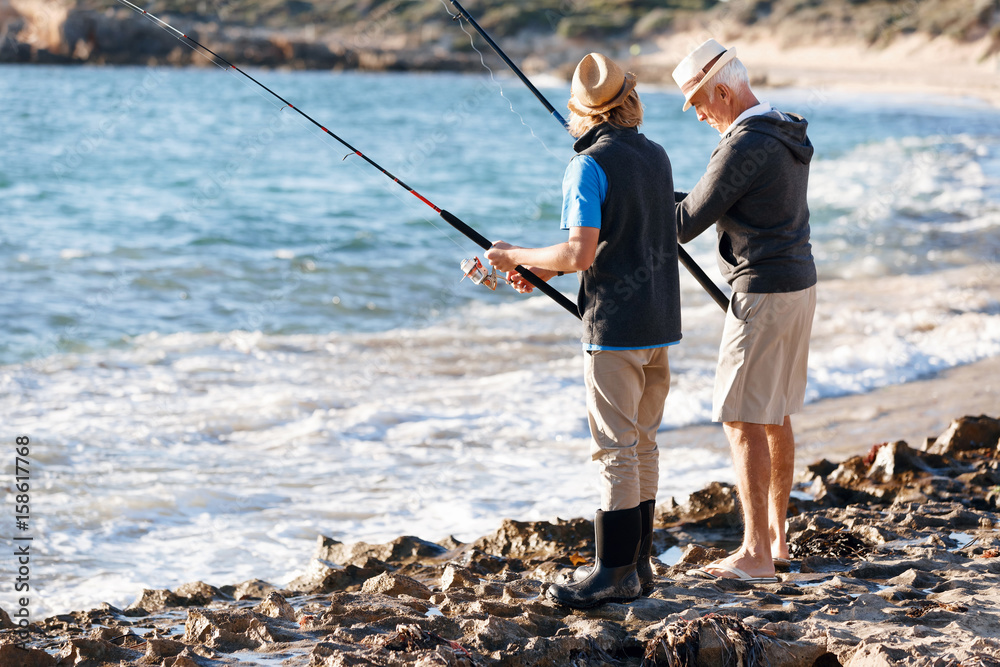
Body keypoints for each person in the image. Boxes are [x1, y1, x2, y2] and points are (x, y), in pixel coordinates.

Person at [484, 53, 682, 608]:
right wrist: (544, 270)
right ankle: (639, 566)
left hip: (614, 329)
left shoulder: (587, 166)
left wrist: (514, 255)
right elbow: (625, 237)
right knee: (643, 444)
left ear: (581, 110)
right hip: (659, 322)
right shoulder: (658, 155)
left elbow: (580, 252)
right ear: (629, 99)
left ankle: (612, 572)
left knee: (615, 450)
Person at [671, 39, 817, 582]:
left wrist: (631, 199)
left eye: (699, 103)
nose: (699, 115)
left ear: (723, 92)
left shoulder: (743, 144)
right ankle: (776, 540)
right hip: (798, 284)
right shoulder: (783, 130)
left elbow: (683, 224)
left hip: (763, 292)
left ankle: (755, 555)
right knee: (773, 413)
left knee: (741, 417)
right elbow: (711, 200)